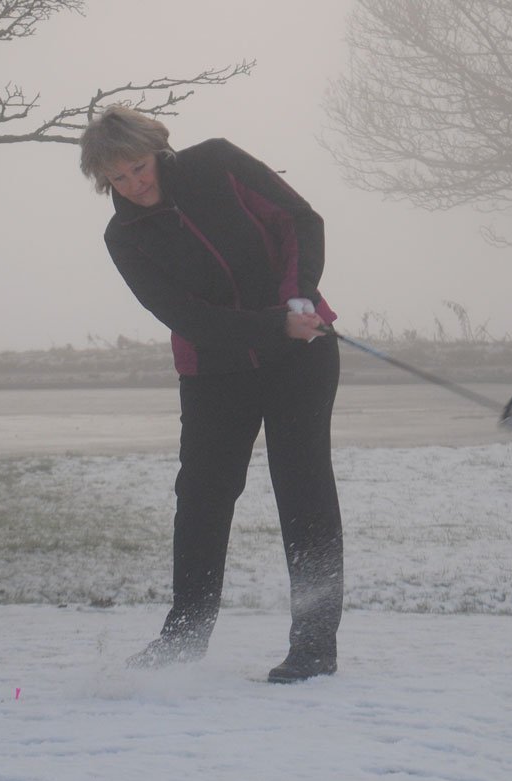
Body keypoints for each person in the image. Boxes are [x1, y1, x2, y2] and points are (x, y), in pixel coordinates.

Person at [79, 106, 343, 683]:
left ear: (157, 150)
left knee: (303, 493)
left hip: (302, 354)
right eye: (117, 178)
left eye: (138, 167)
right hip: (214, 370)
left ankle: (315, 645)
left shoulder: (216, 163)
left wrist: (297, 298)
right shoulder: (122, 236)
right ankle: (184, 639)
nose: (133, 184)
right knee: (201, 500)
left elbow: (298, 220)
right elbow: (183, 315)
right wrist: (272, 324)